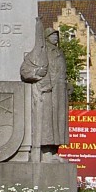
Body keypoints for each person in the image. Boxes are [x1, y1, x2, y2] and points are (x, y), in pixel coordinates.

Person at [20, 25, 69, 158]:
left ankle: (54, 151)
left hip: (60, 92)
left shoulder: (59, 52)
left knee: (59, 122)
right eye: (53, 35)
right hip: (48, 92)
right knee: (48, 123)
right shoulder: (40, 52)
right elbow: (25, 71)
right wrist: (37, 72)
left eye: (57, 35)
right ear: (46, 38)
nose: (55, 37)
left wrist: (67, 86)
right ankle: (46, 152)